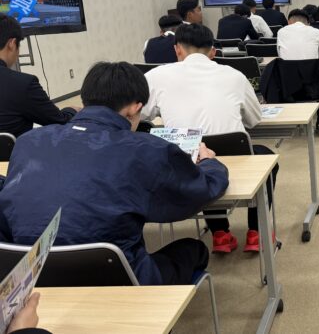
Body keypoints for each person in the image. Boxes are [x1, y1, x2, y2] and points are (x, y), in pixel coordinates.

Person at [0, 61, 228, 285]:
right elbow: (199, 192)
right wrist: (209, 163)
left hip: (31, 277)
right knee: (194, 249)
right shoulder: (146, 149)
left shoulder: (28, 142)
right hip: (119, 278)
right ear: (135, 108)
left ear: (84, 100)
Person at [142, 23, 276, 254]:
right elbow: (254, 119)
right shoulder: (235, 75)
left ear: (177, 49)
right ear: (213, 51)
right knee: (266, 158)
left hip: (183, 166)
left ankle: (220, 234)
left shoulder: (156, 76)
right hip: (236, 159)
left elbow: (140, 115)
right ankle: (256, 232)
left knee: (195, 153)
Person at [0, 15, 77, 138]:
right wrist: (72, 110)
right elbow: (59, 122)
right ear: (12, 44)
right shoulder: (23, 84)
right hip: (16, 151)